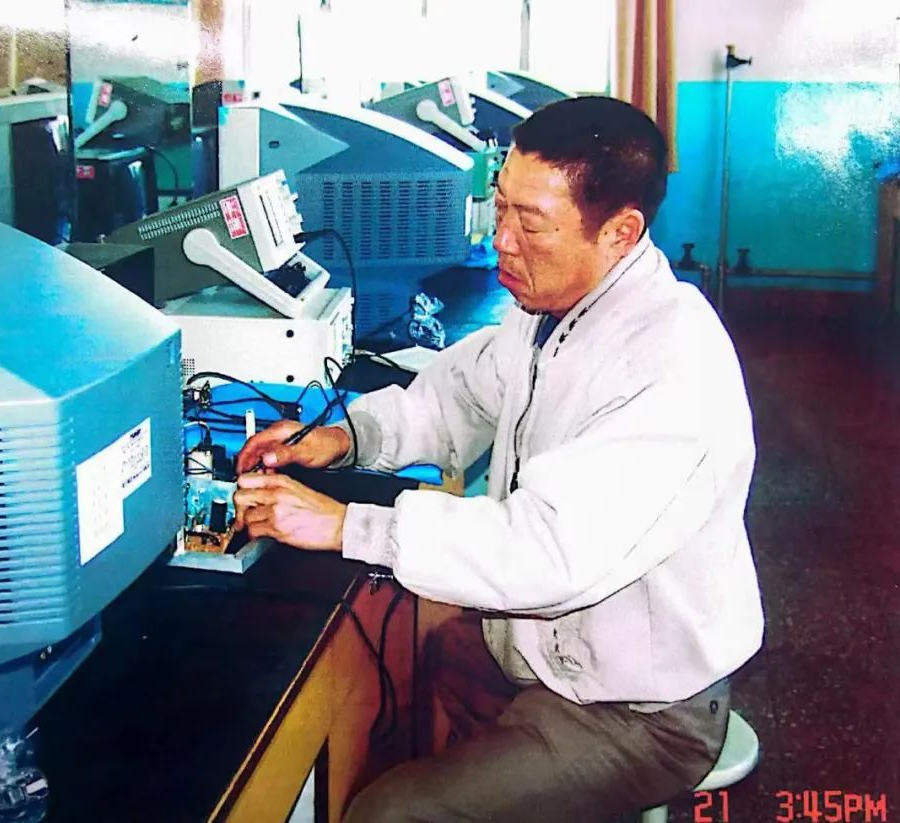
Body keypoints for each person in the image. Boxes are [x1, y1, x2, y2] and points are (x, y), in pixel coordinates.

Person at [233, 96, 764, 822]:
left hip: (638, 706)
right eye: (501, 205)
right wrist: (346, 437)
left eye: (530, 223)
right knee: (433, 658)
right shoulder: (554, 311)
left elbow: (547, 550)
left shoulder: (670, 366)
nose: (502, 240)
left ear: (620, 232)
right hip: (555, 652)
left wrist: (346, 525)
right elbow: (459, 395)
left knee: (389, 814)